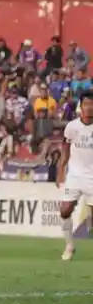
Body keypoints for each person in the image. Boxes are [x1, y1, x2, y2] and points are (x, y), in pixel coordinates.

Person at [57, 94, 93, 261]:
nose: (89, 107)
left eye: (92, 104)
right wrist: (61, 170)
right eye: (86, 104)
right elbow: (65, 148)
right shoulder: (72, 126)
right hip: (75, 175)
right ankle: (69, 246)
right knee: (65, 211)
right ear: (81, 106)